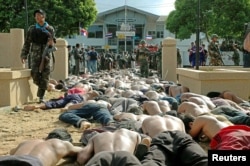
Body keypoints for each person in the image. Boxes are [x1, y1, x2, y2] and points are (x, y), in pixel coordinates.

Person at [139, 115, 208, 166]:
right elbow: (185, 134)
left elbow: (147, 137)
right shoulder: (177, 120)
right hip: (180, 135)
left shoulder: (147, 120)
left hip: (160, 137)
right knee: (201, 159)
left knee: (153, 161)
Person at [20, 9, 56, 103]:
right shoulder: (32, 29)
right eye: (36, 15)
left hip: (47, 54)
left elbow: (53, 42)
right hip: (35, 55)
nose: (37, 17)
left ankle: (41, 96)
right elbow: (27, 43)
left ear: (43, 16)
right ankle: (43, 86)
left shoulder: (50, 29)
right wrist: (24, 55)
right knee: (35, 74)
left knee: (45, 75)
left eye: (39, 15)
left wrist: (51, 43)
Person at [76, 128, 150, 165]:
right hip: (125, 155)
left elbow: (82, 158)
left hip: (102, 156)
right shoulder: (134, 134)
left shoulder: (97, 136)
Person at [180, 113, 250, 150]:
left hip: (231, 137)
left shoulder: (199, 119)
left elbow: (189, 136)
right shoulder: (212, 123)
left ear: (191, 124)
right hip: (243, 132)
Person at [0, 139, 83, 166]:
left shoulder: (29, 141)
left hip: (5, 159)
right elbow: (83, 152)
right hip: (31, 163)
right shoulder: (61, 144)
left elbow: (11, 152)